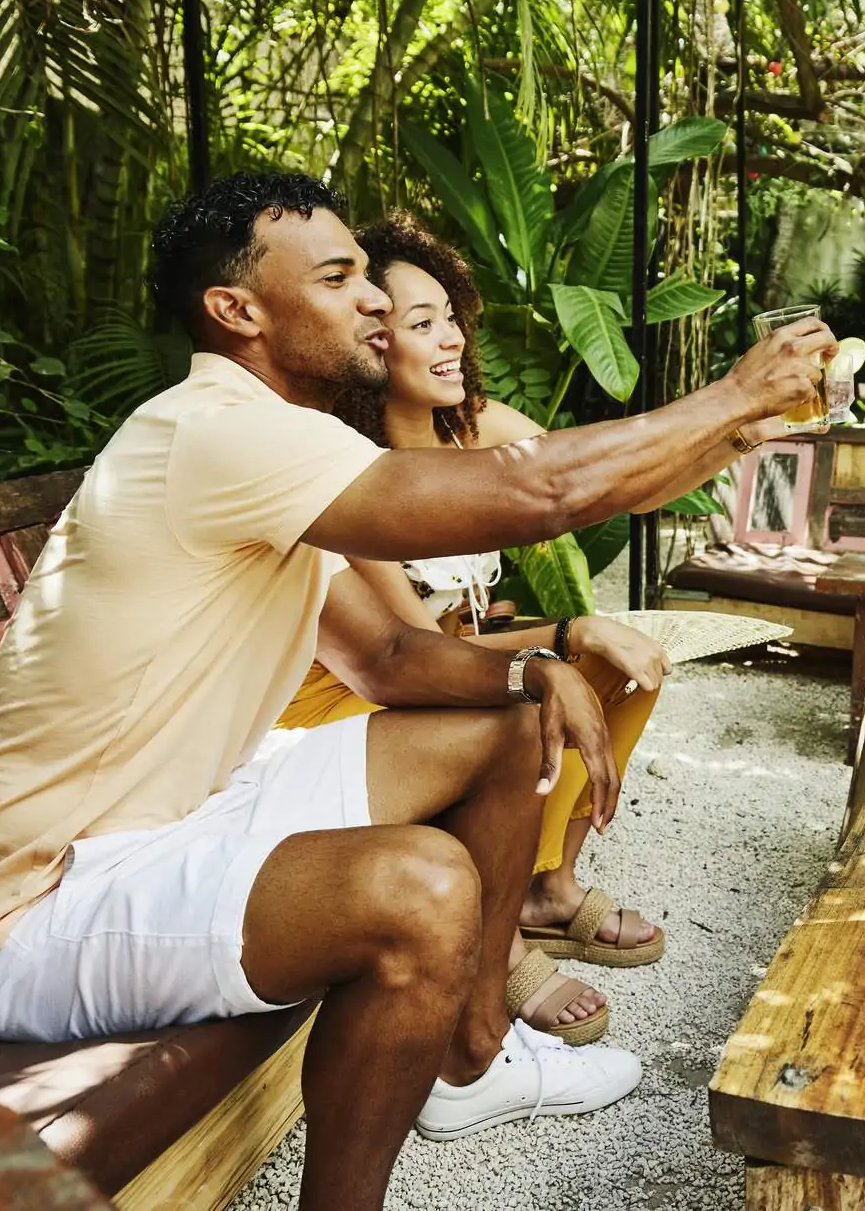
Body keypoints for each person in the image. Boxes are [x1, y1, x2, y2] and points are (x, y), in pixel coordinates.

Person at [0, 171, 830, 1211]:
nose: (377, 302)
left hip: (178, 822)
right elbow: (537, 489)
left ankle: (472, 1041)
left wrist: (534, 665)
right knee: (422, 888)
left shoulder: (268, 444)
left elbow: (388, 660)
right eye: (342, 277)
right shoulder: (213, 429)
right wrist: (736, 393)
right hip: (35, 909)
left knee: (507, 724)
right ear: (237, 311)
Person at [279, 210, 741, 1044]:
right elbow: (413, 652)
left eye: (450, 315)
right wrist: (564, 634)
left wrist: (740, 428)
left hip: (429, 669)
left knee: (627, 664)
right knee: (537, 690)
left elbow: (623, 484)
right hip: (345, 698)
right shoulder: (352, 473)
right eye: (423, 326)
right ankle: (500, 935)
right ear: (373, 344)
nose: (450, 339)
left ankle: (547, 887)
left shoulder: (469, 426)